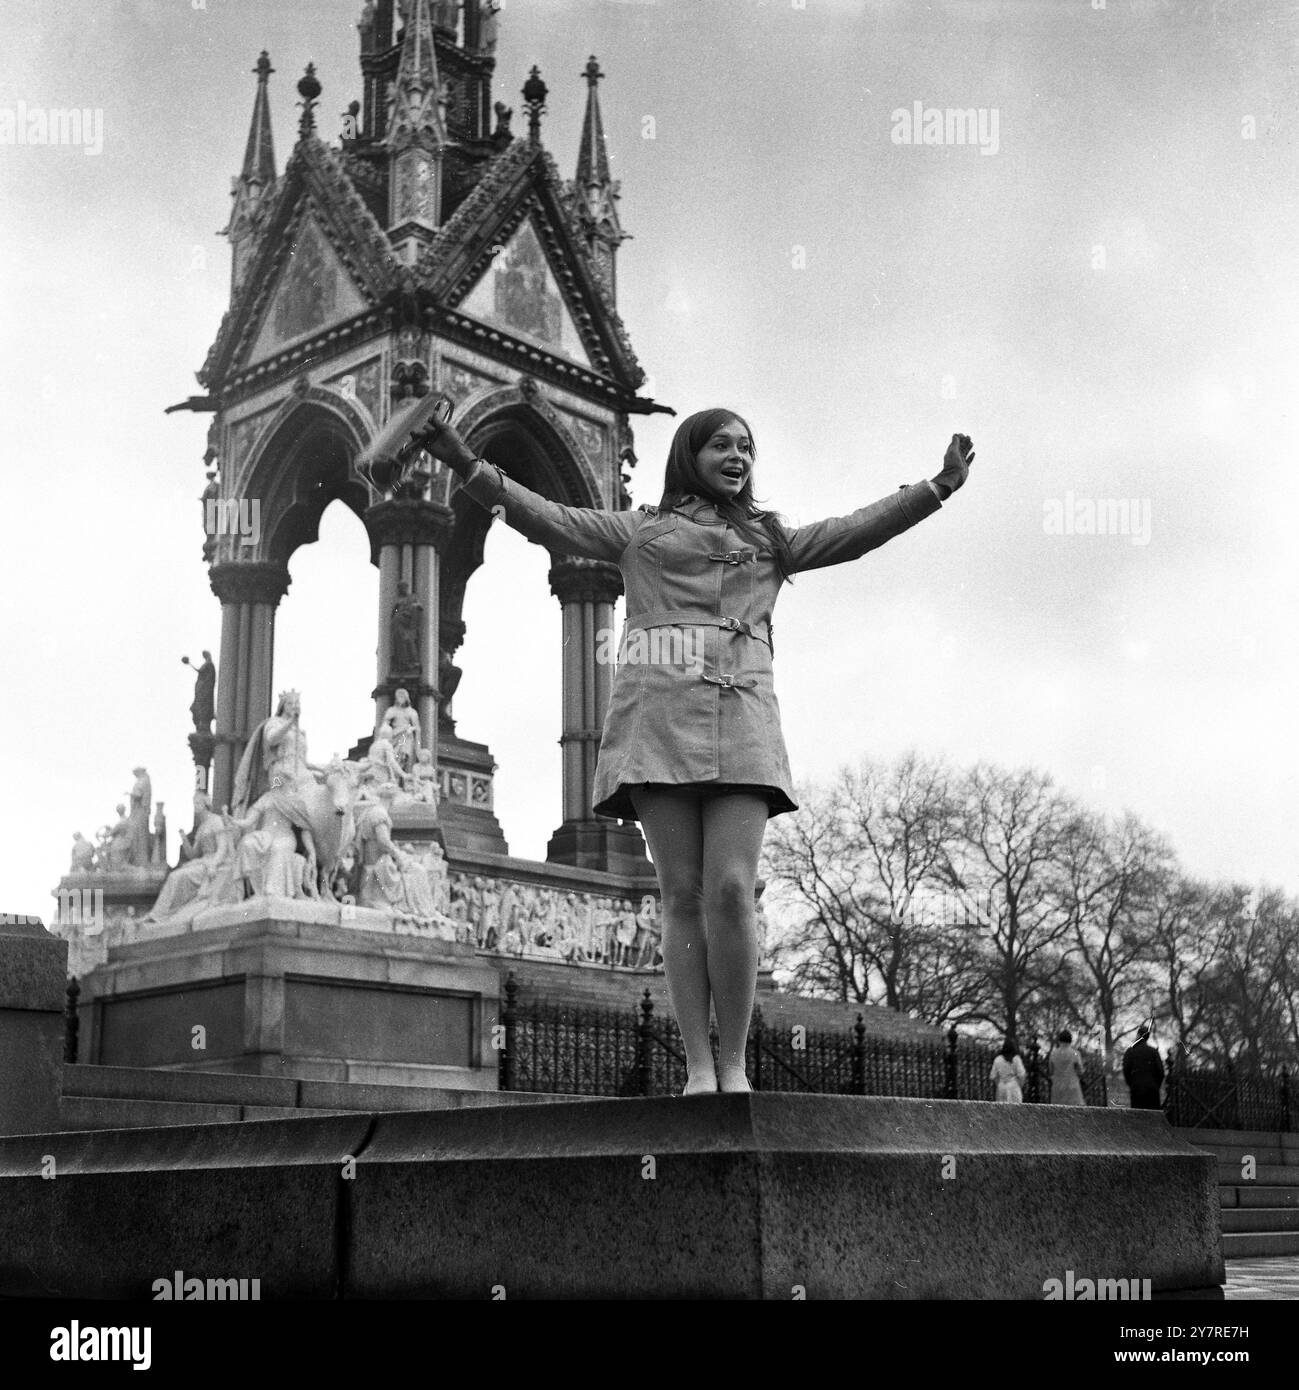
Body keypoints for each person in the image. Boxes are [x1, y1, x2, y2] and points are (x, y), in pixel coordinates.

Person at [415, 403, 973, 1095]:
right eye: (720, 445)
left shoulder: (771, 540)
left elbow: (852, 534)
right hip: (657, 723)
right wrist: (463, 461)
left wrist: (933, 489)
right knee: (679, 895)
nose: (737, 456)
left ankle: (733, 1062)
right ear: (689, 454)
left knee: (732, 891)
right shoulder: (639, 530)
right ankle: (699, 1068)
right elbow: (543, 515)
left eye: (746, 447)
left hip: (741, 721)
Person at [1123, 1024, 1165, 1110]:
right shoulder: (1153, 1052)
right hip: (1152, 1090)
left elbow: (1126, 1071)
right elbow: (1161, 1072)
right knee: (1153, 1117)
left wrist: (1132, 1084)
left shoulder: (1130, 1051)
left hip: (1136, 1089)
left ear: (1138, 1035)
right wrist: (1156, 1085)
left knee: (1138, 1117)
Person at [1048, 1029, 1086, 1106]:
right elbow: (1080, 1071)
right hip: (1072, 1087)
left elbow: (1051, 1071)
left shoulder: (1053, 1054)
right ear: (1070, 1041)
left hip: (1057, 1087)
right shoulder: (1075, 1053)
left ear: (1059, 1040)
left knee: (1058, 1112)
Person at [991, 1037, 1027, 1103]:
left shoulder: (997, 1059)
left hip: (1001, 1087)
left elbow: (993, 1076)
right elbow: (1021, 1075)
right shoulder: (1016, 1059)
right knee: (1015, 1109)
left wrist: (999, 1084)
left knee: (1001, 1109)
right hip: (1014, 1086)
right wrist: (1020, 1085)